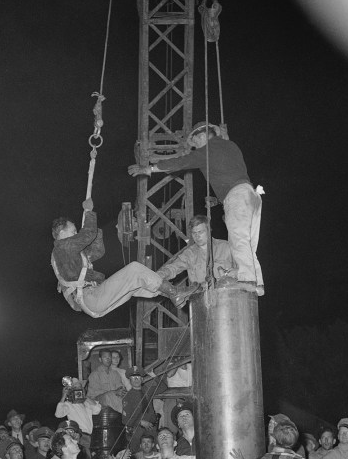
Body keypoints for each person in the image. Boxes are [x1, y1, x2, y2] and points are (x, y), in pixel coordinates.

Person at [131, 123, 264, 294]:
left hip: (236, 196)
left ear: (201, 136)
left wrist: (149, 168)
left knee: (239, 240)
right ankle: (257, 284)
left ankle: (248, 280)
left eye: (195, 143)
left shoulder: (207, 151)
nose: (195, 147)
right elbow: (229, 170)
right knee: (248, 244)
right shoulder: (231, 146)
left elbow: (181, 162)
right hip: (250, 195)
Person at [51, 199, 183, 317]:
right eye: (73, 231)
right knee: (134, 269)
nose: (75, 234)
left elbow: (97, 252)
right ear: (62, 233)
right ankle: (175, 293)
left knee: (135, 284)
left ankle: (177, 294)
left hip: (94, 299)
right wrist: (88, 212)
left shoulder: (69, 254)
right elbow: (88, 235)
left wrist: (93, 232)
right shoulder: (62, 248)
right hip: (90, 298)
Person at [153, 214, 234, 304]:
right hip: (201, 303)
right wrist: (158, 275)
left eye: (200, 232)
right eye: (194, 233)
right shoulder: (190, 254)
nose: (197, 236)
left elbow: (244, 270)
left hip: (228, 300)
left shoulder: (226, 247)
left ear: (209, 231)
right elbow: (173, 267)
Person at [55, 380, 101, 457]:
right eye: (75, 388)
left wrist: (85, 397)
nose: (78, 390)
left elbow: (97, 409)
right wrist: (64, 395)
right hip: (78, 436)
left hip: (89, 436)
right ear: (71, 390)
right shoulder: (69, 404)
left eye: (80, 387)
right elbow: (58, 414)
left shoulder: (86, 403)